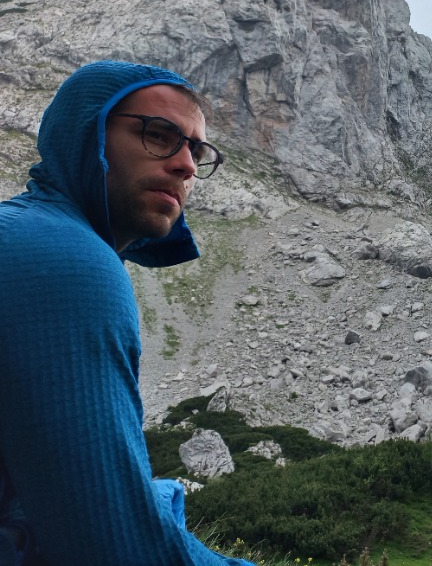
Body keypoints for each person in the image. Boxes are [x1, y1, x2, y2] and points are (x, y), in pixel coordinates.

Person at [0, 61, 254, 565]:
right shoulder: (62, 257)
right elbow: (114, 545)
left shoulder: (28, 231)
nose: (186, 166)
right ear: (87, 134)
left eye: (197, 151)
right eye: (159, 135)